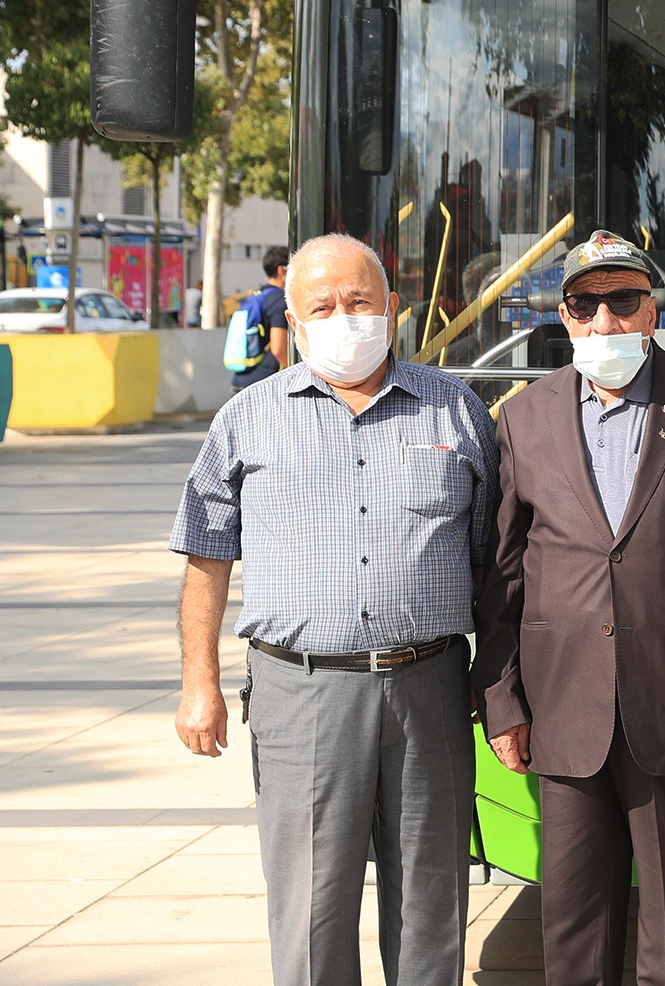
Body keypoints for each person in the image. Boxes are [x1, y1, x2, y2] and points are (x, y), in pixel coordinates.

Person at [169, 233, 498, 986]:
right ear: (293, 315)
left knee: (431, 905)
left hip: (431, 688)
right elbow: (205, 556)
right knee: (312, 916)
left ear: (392, 308)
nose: (344, 317)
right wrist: (199, 682)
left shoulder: (457, 409)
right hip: (301, 692)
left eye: (359, 301)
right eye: (323, 305)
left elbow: (493, 559)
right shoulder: (247, 419)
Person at [474, 229, 665, 986]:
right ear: (564, 316)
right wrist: (501, 699)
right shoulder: (524, 417)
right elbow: (504, 575)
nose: (605, 320)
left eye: (622, 300)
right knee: (574, 913)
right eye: (586, 303)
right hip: (563, 700)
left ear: (651, 311)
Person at [228, 245, 292, 385]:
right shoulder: (278, 300)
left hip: (240, 379)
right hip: (264, 382)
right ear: (281, 270)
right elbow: (278, 348)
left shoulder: (256, 296)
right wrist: (294, 372)